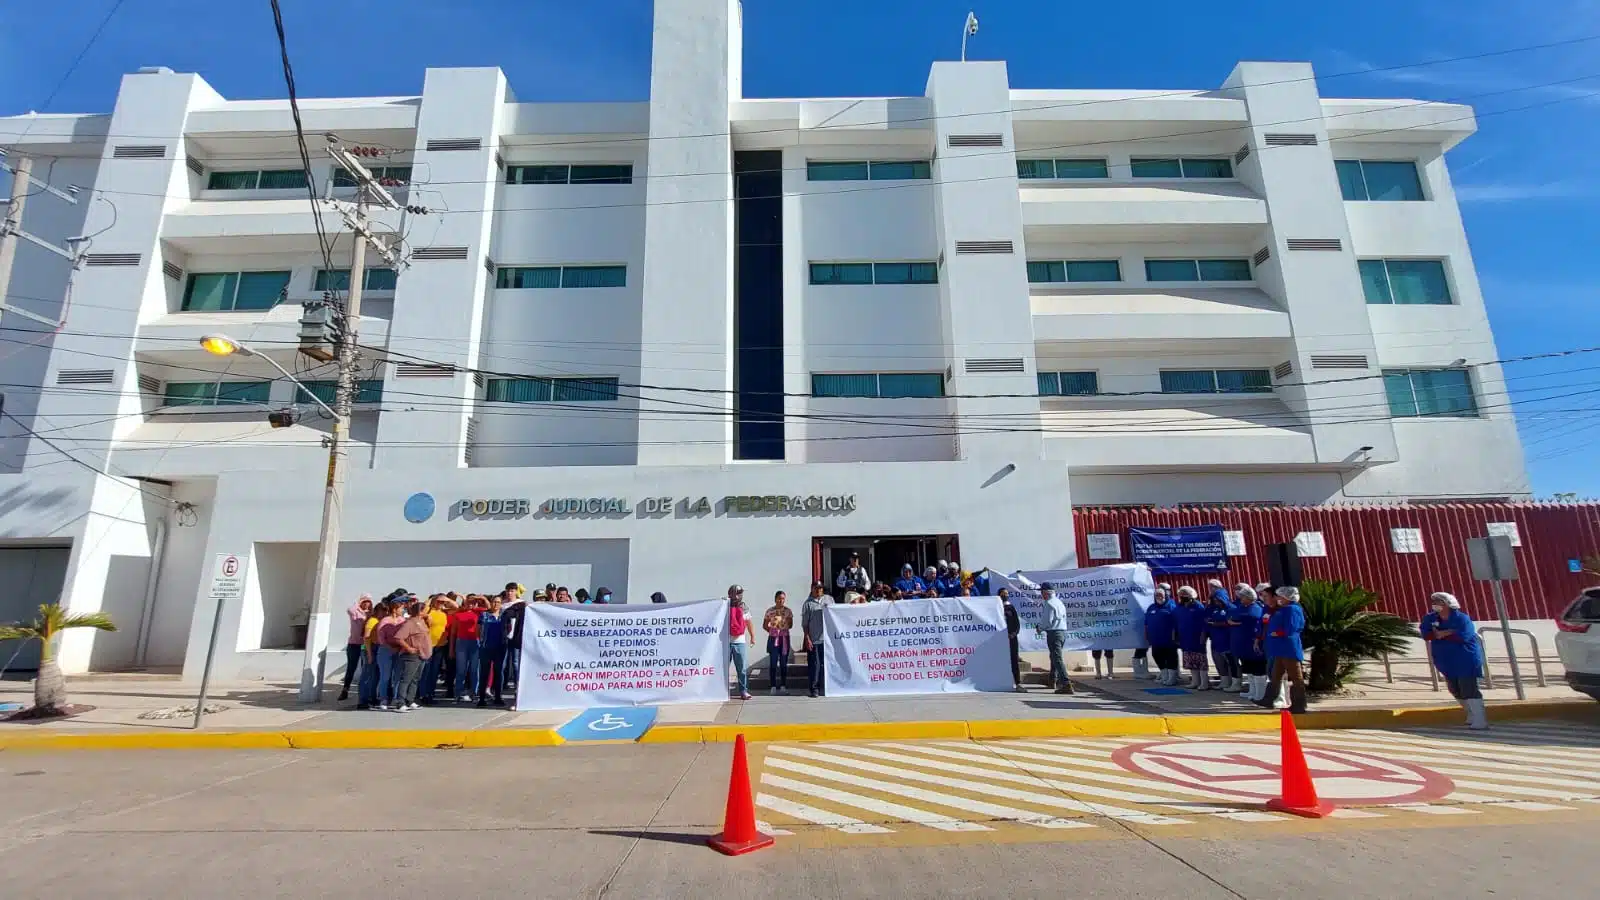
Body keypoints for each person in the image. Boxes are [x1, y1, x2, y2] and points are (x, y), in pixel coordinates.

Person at [1421, 592, 1488, 729]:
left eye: (1439, 602)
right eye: (1434, 601)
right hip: (1445, 658)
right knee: (1454, 688)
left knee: (1468, 687)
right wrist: (1448, 632)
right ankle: (1470, 713)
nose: (1435, 604)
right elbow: (1426, 634)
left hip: (1465, 657)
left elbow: (1464, 636)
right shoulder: (1430, 618)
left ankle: (1480, 719)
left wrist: (1443, 633)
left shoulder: (1462, 618)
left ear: (1448, 604)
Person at [1259, 585, 1309, 713]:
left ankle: (1299, 704)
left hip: (1289, 648)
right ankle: (1269, 698)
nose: (1278, 598)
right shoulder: (1285, 609)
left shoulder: (1292, 609)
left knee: (1295, 676)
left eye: (1281, 596)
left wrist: (1279, 633)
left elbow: (1292, 628)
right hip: (1280, 648)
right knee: (1276, 675)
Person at [392, 600, 433, 712]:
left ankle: (410, 700)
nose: (427, 612)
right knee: (406, 679)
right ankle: (400, 702)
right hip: (412, 656)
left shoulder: (422, 621)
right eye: (424, 610)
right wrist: (408, 648)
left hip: (422, 655)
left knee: (415, 679)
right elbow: (398, 637)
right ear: (420, 611)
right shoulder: (410, 623)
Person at [1229, 585, 1268, 701]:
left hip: (1253, 644)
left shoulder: (1256, 608)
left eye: (1243, 597)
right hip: (1243, 645)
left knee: (1258, 669)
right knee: (1249, 669)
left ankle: (1260, 693)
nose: (1241, 599)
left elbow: (1252, 618)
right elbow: (1231, 615)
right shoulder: (1241, 607)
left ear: (1249, 597)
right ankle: (1252, 690)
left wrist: (1237, 621)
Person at [1037, 583, 1075, 695]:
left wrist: (1039, 628)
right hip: (1062, 632)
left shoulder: (1049, 604)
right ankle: (1052, 679)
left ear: (1045, 592)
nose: (1041, 595)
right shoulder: (1059, 602)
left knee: (1057, 658)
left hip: (1054, 632)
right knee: (1054, 656)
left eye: (1042, 592)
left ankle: (1066, 683)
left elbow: (1047, 621)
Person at [338, 594, 372, 702]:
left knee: (365, 668)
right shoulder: (355, 612)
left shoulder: (371, 614)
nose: (367, 603)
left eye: (369, 601)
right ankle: (345, 689)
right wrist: (358, 604)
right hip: (354, 644)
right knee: (351, 668)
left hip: (365, 644)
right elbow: (350, 609)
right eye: (365, 601)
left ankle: (363, 692)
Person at [1175, 586, 1211, 690]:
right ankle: (1195, 682)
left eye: (1185, 595)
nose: (1183, 597)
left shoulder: (1198, 607)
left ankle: (1204, 682)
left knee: (1201, 661)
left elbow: (1204, 624)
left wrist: (1203, 636)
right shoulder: (1179, 608)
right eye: (1181, 595)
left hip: (1197, 638)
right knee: (1190, 661)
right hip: (1185, 638)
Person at [416, 595, 450, 704]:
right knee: (426, 671)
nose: (440, 603)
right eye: (438, 601)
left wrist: (447, 599)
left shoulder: (444, 613)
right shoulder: (428, 611)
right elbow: (419, 610)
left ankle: (430, 694)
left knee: (434, 671)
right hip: (428, 645)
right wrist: (433, 599)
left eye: (442, 602)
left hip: (440, 645)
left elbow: (456, 606)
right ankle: (422, 694)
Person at [373, 601, 406, 710]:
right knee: (385, 676)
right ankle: (383, 699)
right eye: (401, 608)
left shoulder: (402, 621)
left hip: (399, 650)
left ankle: (396, 699)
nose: (403, 610)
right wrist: (390, 647)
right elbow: (381, 638)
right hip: (386, 650)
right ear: (394, 609)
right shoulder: (385, 621)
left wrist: (401, 647)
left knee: (397, 676)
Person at [449, 596, 483, 703]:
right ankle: (458, 693)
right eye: (468, 602)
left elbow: (489, 607)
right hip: (461, 642)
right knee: (461, 670)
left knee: (474, 670)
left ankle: (474, 693)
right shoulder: (458, 615)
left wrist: (480, 597)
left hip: (475, 642)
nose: (470, 605)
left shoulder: (478, 613)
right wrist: (451, 649)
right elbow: (453, 633)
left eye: (473, 603)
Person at [1144, 588, 1180, 685]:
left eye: (1161, 595)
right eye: (1157, 595)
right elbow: (1146, 623)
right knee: (1156, 655)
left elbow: (1178, 622)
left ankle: (1172, 678)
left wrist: (1176, 636)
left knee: (1170, 658)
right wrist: (1146, 635)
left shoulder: (1172, 607)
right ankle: (1164, 675)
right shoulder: (1151, 607)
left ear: (1165, 596)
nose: (1159, 597)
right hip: (1155, 639)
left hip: (1169, 639)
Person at [477, 595, 507, 707]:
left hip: (500, 647)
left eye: (498, 602)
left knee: (499, 673)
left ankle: (498, 697)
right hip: (486, 647)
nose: (496, 604)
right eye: (494, 602)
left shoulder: (504, 615)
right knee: (484, 673)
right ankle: (482, 698)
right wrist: (480, 642)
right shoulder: (484, 615)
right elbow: (478, 630)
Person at [1207, 588, 1239, 692]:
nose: (1217, 602)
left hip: (1228, 639)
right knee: (1220, 662)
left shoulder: (1232, 608)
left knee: (1232, 662)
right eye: (1215, 601)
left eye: (1219, 600)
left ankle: (1236, 683)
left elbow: (1233, 622)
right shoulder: (1215, 609)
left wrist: (1218, 624)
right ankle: (1225, 680)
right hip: (1217, 639)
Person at [357, 600, 387, 709]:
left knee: (375, 675)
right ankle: (363, 700)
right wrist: (369, 654)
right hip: (369, 649)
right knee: (367, 675)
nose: (384, 613)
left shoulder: (379, 620)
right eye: (383, 611)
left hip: (376, 648)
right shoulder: (372, 621)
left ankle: (372, 697)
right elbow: (366, 638)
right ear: (378, 611)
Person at [801, 582, 828, 697]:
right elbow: (805, 624)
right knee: (815, 665)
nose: (818, 590)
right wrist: (807, 638)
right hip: (814, 640)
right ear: (812, 589)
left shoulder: (829, 600)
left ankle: (825, 687)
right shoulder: (807, 604)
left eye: (820, 588)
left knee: (826, 665)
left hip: (827, 640)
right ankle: (814, 688)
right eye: (816, 588)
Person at [764, 590, 794, 695]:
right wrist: (772, 631)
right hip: (773, 638)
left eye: (783, 599)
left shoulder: (788, 611)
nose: (781, 601)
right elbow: (765, 625)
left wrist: (784, 624)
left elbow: (790, 625)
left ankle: (783, 685)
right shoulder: (770, 611)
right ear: (775, 599)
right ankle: (772, 686)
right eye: (779, 598)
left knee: (783, 663)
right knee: (773, 662)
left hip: (784, 638)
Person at [727, 585, 753, 700]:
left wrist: (753, 636)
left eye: (740, 593)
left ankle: (743, 691)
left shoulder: (744, 607)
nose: (739, 595)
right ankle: (723, 690)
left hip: (739, 641)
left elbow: (748, 622)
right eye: (737, 593)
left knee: (741, 668)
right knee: (723, 668)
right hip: (726, 642)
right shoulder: (725, 606)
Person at [501, 583, 525, 692]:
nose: (510, 593)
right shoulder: (502, 604)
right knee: (503, 664)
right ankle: (500, 687)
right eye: (508, 591)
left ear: (516, 591)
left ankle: (517, 686)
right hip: (504, 638)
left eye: (512, 591)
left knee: (516, 663)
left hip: (516, 637)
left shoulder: (521, 604)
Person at [999, 588, 1024, 691]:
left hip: (1012, 639)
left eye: (1007, 594)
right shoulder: (997, 608)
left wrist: (1013, 634)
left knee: (1014, 660)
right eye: (1003, 594)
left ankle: (1017, 683)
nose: (1005, 595)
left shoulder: (1011, 607)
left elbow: (1017, 624)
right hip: (1000, 640)